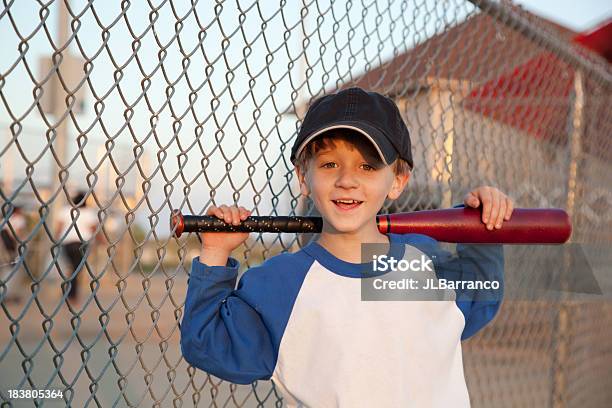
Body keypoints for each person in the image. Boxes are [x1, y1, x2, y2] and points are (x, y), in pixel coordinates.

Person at [180, 87, 514, 407]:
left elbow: (481, 297)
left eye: (367, 166)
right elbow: (205, 343)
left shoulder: (420, 262)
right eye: (329, 164)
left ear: (398, 181)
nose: (347, 179)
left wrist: (481, 221)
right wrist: (215, 253)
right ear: (302, 177)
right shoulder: (283, 283)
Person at [55, 191, 99, 304]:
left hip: (67, 243)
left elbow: (59, 227)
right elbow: (94, 229)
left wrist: (56, 240)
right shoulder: (89, 212)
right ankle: (71, 295)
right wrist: (101, 241)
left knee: (72, 268)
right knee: (76, 269)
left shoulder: (66, 210)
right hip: (82, 244)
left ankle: (69, 293)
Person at [1, 205, 27, 303]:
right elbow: (18, 233)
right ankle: (10, 293)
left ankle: (4, 292)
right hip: (13, 247)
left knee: (5, 270)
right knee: (14, 270)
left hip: (4, 248)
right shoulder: (19, 219)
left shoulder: (4, 220)